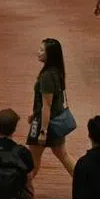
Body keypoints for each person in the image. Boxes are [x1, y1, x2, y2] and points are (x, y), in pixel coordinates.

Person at [26, 37, 75, 178]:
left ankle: (23, 190)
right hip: (56, 121)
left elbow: (47, 105)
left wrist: (43, 131)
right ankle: (83, 184)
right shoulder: (57, 71)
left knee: (33, 160)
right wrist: (34, 111)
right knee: (63, 155)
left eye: (42, 50)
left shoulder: (47, 76)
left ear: (50, 55)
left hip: (45, 123)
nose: (38, 52)